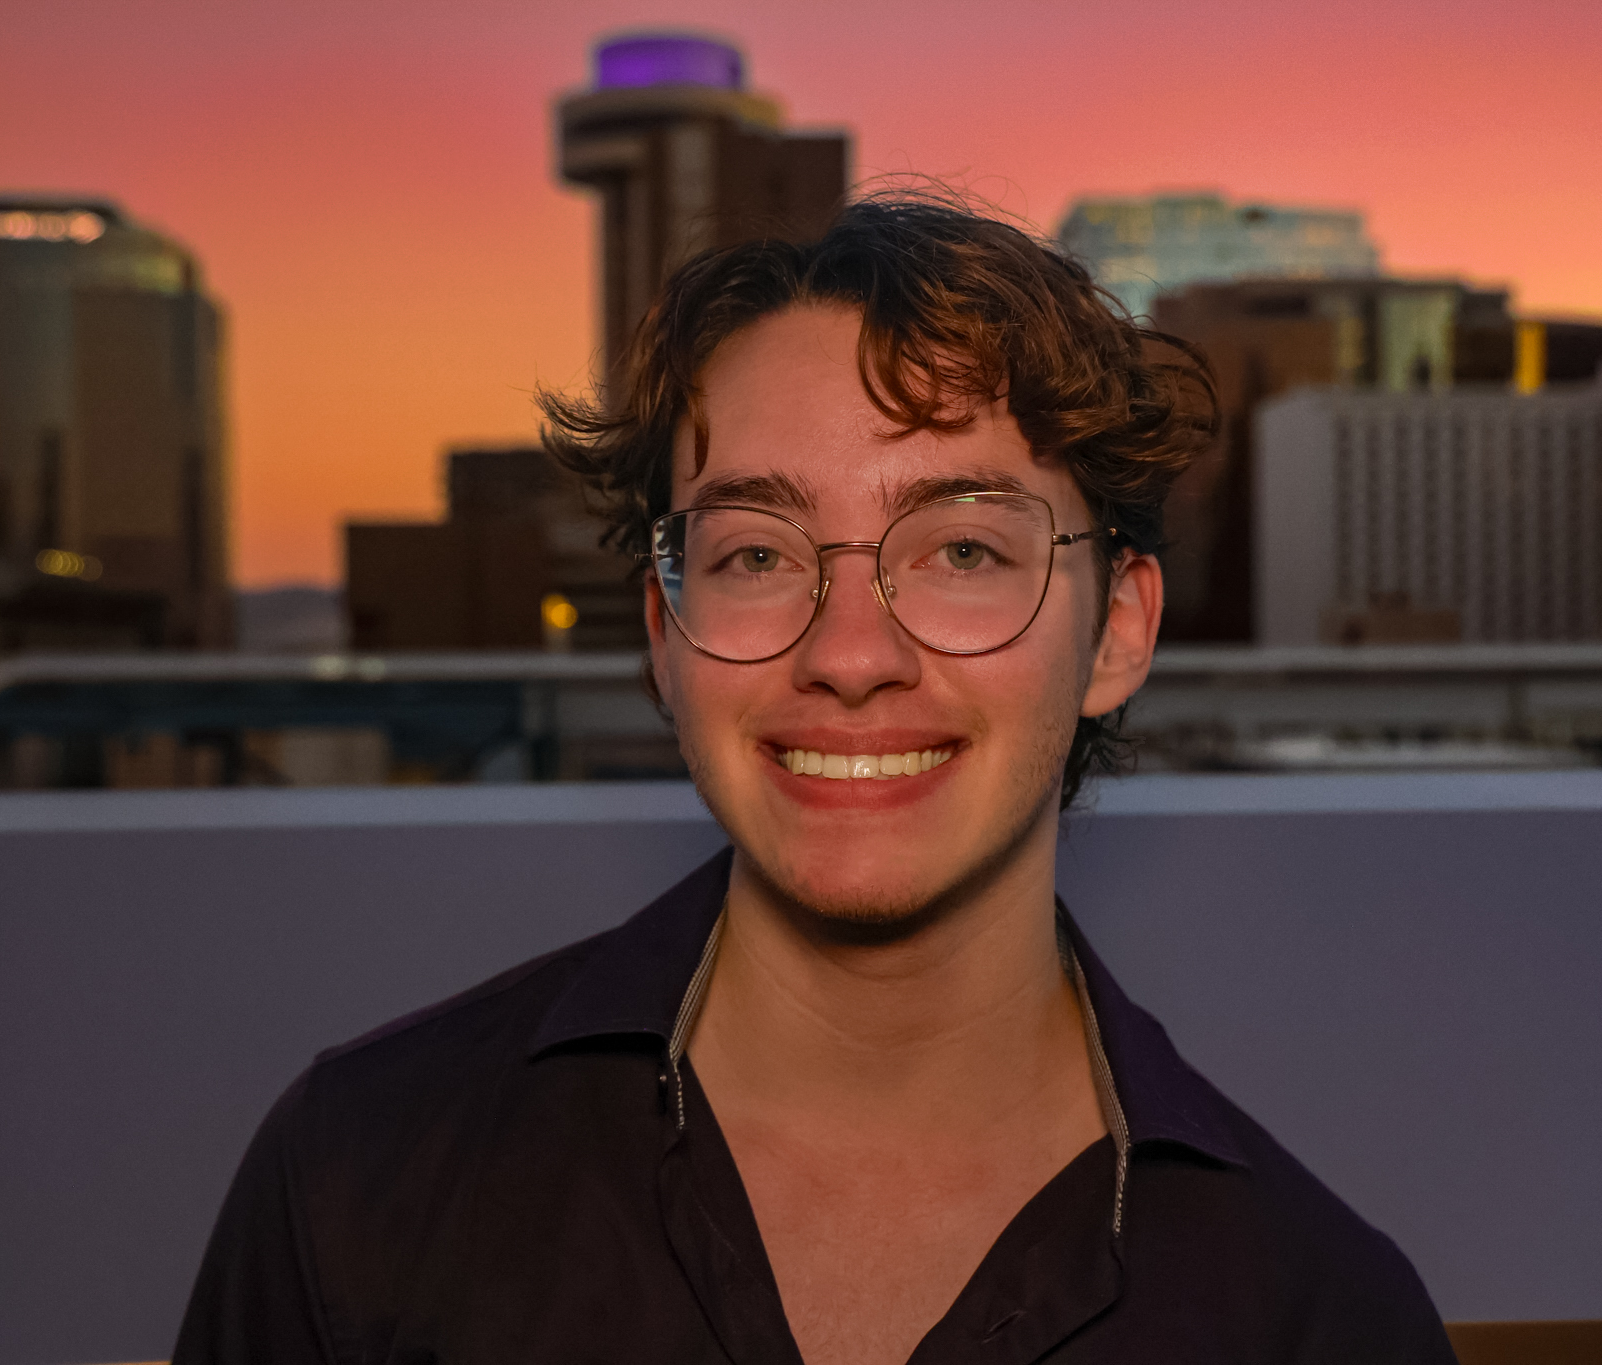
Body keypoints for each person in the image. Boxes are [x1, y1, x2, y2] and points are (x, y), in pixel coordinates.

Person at [174, 195, 1457, 1365]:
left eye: (961, 547)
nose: (848, 655)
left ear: (1116, 630)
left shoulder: (1314, 1318)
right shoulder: (360, 1180)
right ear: (664, 638)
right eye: (753, 555)